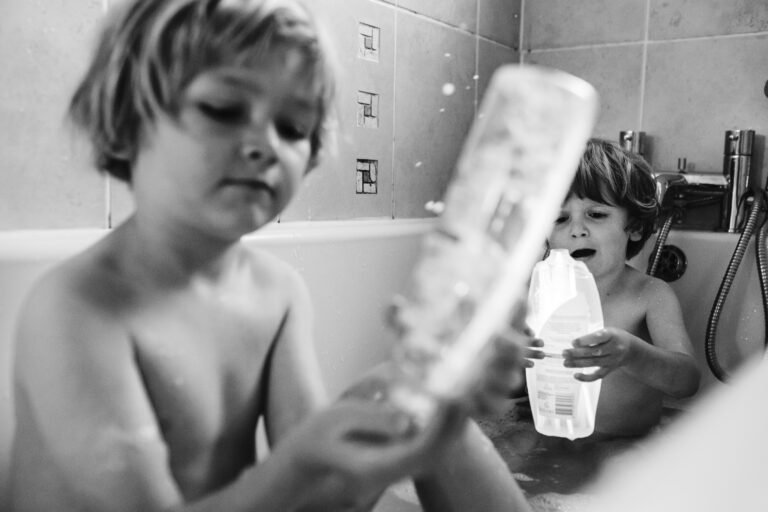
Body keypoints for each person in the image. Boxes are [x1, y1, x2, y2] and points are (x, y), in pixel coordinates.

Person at [9, 1, 533, 511]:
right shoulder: (77, 307)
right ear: (126, 124)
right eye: (223, 109)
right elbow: (297, 471)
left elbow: (321, 497)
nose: (265, 143)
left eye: (293, 128)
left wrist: (431, 410)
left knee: (406, 396)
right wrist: (303, 461)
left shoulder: (274, 293)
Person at [551, 137, 701, 436]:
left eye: (596, 214)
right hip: (553, 447)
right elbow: (512, 387)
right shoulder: (542, 295)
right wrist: (513, 359)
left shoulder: (649, 295)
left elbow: (687, 382)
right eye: (560, 218)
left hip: (626, 455)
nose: (576, 230)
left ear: (633, 226)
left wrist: (632, 354)